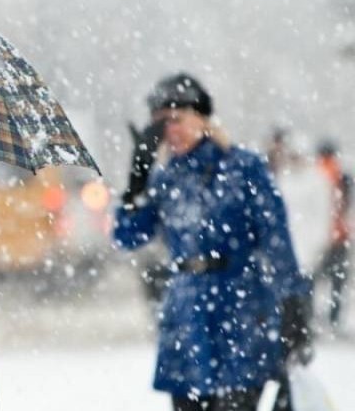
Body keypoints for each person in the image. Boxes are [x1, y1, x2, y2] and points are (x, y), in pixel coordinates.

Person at [113, 73, 313, 411]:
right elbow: (127, 236)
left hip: (241, 310)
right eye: (159, 123)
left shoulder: (244, 168)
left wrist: (293, 305)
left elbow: (275, 239)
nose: (168, 131)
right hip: (186, 315)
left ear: (202, 119)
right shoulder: (165, 178)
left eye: (176, 119)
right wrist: (136, 183)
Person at [314, 140, 352, 330]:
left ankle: (308, 319)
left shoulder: (315, 175)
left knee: (312, 280)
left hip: (319, 239)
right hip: (339, 237)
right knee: (337, 283)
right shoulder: (342, 176)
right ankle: (333, 320)